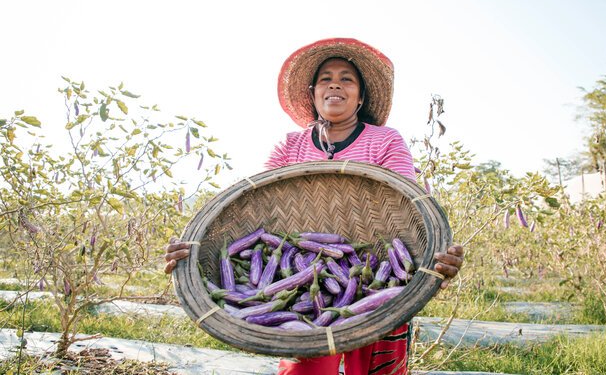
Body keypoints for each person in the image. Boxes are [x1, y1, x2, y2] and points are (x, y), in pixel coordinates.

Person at [164, 38, 464, 375]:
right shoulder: (289, 146)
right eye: (326, 78)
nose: (335, 83)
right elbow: (252, 209)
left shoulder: (385, 140)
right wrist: (193, 247)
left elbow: (411, 207)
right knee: (305, 369)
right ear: (313, 94)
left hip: (380, 274)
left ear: (360, 97)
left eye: (347, 78)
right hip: (301, 286)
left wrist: (436, 255)